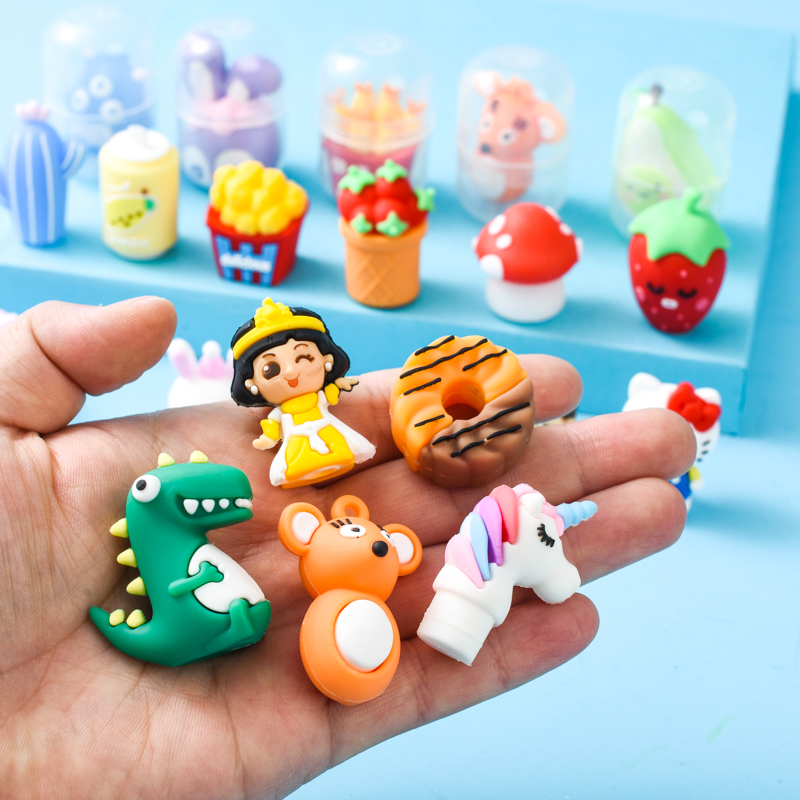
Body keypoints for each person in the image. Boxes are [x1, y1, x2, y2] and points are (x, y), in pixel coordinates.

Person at [0, 297, 696, 799]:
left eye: (305, 358)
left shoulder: (358, 501)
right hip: (306, 510)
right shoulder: (278, 467)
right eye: (275, 367)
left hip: (340, 506)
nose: (293, 371)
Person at [231, 298, 376, 488]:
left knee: (340, 449)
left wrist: (340, 384)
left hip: (326, 431)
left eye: (303, 357)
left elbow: (331, 395)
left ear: (327, 360)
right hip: (297, 440)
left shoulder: (318, 398)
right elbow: (273, 427)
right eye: (271, 369)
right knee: (294, 462)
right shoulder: (279, 412)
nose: (291, 371)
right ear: (251, 384)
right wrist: (268, 438)